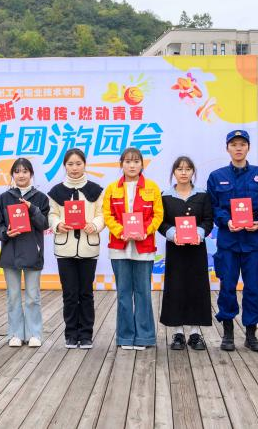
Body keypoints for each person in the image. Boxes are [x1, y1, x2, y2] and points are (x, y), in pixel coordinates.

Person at [207, 130, 258, 352]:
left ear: (248, 147)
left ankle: (251, 334)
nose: (238, 148)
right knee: (227, 287)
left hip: (252, 242)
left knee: (253, 288)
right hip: (228, 243)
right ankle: (228, 333)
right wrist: (226, 221)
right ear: (227, 148)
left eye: (242, 144)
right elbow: (213, 207)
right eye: (234, 144)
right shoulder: (216, 176)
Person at [103, 147, 164, 350]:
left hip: (144, 247)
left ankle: (144, 337)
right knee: (123, 293)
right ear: (121, 164)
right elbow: (108, 215)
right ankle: (125, 337)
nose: (132, 165)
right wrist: (121, 231)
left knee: (143, 292)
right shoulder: (112, 188)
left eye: (136, 161)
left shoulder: (152, 187)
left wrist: (145, 231)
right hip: (119, 248)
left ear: (142, 164)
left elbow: (158, 215)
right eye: (128, 161)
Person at [48, 148, 105, 349]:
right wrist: (58, 224)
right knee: (70, 294)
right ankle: (71, 334)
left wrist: (94, 225)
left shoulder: (96, 190)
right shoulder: (56, 191)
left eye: (78, 164)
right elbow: (52, 214)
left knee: (86, 293)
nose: (74, 168)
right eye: (70, 164)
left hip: (88, 248)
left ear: (85, 165)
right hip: (65, 249)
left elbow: (101, 214)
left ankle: (86, 334)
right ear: (65, 166)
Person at [159, 156, 214, 350]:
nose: (184, 172)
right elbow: (161, 222)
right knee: (176, 287)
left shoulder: (203, 195)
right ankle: (178, 333)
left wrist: (199, 233)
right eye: (180, 169)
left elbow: (208, 220)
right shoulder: (165, 196)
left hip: (197, 249)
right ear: (174, 172)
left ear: (193, 172)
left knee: (197, 287)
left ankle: (195, 333)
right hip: (175, 249)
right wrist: (173, 234)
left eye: (188, 169)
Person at [0, 158, 50, 348]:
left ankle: (34, 333)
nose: (21, 175)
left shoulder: (41, 198)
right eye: (17, 171)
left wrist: (32, 208)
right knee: (13, 296)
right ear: (12, 174)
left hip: (33, 252)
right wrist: (6, 233)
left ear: (31, 174)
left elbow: (45, 224)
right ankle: (15, 333)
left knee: (33, 296)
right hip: (10, 252)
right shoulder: (3, 198)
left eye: (25, 171)